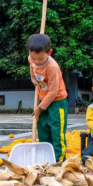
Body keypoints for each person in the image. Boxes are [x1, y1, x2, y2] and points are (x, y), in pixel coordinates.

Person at [28, 33, 69, 162]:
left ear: (49, 52)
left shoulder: (52, 67)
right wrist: (34, 80)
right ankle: (46, 159)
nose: (36, 62)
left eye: (40, 59)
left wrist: (40, 107)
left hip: (57, 102)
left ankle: (59, 162)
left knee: (57, 133)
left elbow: (53, 91)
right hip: (42, 100)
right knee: (43, 131)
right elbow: (32, 70)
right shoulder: (32, 59)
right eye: (33, 58)